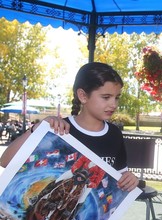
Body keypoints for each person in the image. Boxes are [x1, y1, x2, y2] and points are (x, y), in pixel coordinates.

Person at [0, 61, 139, 192]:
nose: (113, 104)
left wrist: (130, 179)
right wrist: (37, 129)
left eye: (116, 97)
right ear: (83, 96)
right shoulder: (58, 129)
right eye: (106, 97)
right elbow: (6, 161)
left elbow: (120, 175)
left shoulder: (114, 134)